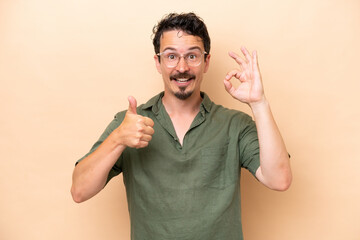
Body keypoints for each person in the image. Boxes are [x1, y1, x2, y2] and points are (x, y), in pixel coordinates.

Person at [71, 12, 292, 240]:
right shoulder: (130, 123)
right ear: (158, 62)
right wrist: (117, 139)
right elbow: (79, 190)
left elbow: (279, 179)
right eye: (171, 56)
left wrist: (259, 103)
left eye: (192, 56)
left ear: (206, 62)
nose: (182, 67)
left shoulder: (235, 125)